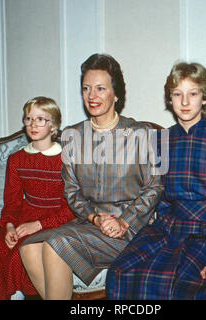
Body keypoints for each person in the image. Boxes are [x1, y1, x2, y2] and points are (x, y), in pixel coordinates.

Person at [106, 62, 206, 300]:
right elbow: (159, 198)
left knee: (183, 286)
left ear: (204, 98)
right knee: (120, 272)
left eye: (193, 94)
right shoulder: (160, 141)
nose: (185, 102)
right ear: (170, 99)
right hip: (170, 230)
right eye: (178, 94)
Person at [19, 53, 164, 300]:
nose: (92, 96)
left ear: (116, 94)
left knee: (58, 244)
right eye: (86, 88)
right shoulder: (72, 136)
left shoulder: (141, 133)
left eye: (100, 88)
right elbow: (72, 192)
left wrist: (123, 221)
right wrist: (95, 218)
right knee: (29, 247)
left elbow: (155, 187)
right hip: (90, 223)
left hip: (131, 228)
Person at [0, 97, 75, 300]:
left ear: (54, 125)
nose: (33, 125)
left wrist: (37, 225)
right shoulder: (17, 159)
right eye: (29, 119)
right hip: (24, 218)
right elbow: (12, 201)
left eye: (40, 119)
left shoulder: (67, 159)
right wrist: (10, 225)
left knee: (16, 257)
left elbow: (72, 208)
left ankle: (17, 294)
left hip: (56, 221)